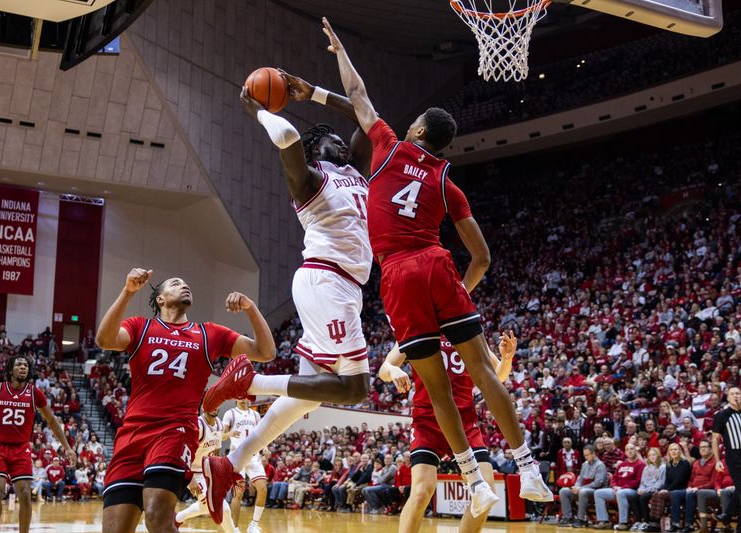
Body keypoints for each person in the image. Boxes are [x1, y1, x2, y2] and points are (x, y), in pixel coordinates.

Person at [320, 16, 551, 515]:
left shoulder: (386, 146)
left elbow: (357, 93)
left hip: (399, 273)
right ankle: (528, 467)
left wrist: (340, 49)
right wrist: (459, 293)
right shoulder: (448, 181)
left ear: (419, 129)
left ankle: (474, 476)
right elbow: (483, 256)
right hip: (438, 263)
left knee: (438, 389)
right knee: (486, 372)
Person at [199, 65, 376, 525]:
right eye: (330, 140)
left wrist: (314, 91)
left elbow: (365, 117)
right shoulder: (311, 179)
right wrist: (259, 109)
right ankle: (250, 383)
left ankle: (229, 464)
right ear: (319, 151)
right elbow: (287, 141)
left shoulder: (354, 173)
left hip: (342, 288)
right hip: (327, 281)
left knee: (308, 397)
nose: (341, 140)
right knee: (356, 387)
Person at [95, 269, 275, 533]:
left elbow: (265, 351)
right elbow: (105, 339)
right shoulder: (140, 326)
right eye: (176, 284)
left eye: (186, 284)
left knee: (157, 517)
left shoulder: (209, 333)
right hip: (131, 434)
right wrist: (128, 292)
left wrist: (250, 308)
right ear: (160, 299)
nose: (185, 285)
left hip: (174, 430)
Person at [379, 332, 514, 532]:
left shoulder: (468, 329)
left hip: (464, 422)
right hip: (428, 421)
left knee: (486, 491)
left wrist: (507, 359)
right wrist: (393, 371)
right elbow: (384, 368)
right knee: (421, 492)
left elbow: (498, 376)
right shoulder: (416, 328)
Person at [0, 355, 76, 533]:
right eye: (19, 364)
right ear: (10, 370)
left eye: (25, 365)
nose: (23, 367)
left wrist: (67, 447)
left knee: (25, 494)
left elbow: (52, 421)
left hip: (21, 448)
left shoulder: (34, 393)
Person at [175, 409, 237, 533]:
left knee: (205, 506)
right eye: (211, 404)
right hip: (193, 472)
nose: (214, 407)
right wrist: (189, 477)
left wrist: (218, 473)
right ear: (204, 407)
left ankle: (176, 518)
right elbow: (182, 450)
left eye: (217, 405)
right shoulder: (197, 425)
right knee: (222, 507)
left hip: (207, 471)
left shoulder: (219, 424)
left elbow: (217, 451)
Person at [223, 399, 268, 533]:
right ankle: (234, 527)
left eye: (245, 397)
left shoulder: (255, 415)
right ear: (236, 398)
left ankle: (253, 525)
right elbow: (223, 436)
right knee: (238, 493)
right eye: (240, 397)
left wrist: (265, 447)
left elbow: (261, 434)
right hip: (238, 457)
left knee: (263, 489)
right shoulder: (230, 413)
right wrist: (229, 433)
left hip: (254, 457)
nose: (243, 400)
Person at [593, 443, 645, 529]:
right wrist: (614, 486)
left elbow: (638, 481)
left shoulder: (640, 464)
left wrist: (622, 488)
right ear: (625, 452)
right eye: (627, 449)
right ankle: (604, 521)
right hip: (618, 489)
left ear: (635, 451)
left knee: (621, 493)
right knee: (598, 493)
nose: (630, 451)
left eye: (631, 449)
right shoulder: (622, 464)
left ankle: (623, 522)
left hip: (633, 490)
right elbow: (614, 478)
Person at [711, 387, 741, 533]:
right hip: (734, 456)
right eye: (733, 394)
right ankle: (727, 515)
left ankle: (727, 516)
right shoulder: (722, 415)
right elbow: (715, 439)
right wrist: (717, 460)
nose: (736, 396)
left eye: (738, 393)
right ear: (728, 398)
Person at [559, 444, 609, 527]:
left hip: (596, 490)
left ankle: (581, 519)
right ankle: (568, 518)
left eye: (587, 455)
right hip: (583, 489)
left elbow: (597, 483)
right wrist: (576, 487)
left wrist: (580, 488)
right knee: (564, 491)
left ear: (593, 454)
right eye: (584, 455)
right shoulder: (584, 464)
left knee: (582, 492)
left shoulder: (600, 465)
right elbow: (580, 479)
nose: (585, 457)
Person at [647, 443, 692, 532]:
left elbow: (680, 480)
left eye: (675, 449)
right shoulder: (669, 464)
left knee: (661, 495)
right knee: (656, 494)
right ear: (669, 452)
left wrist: (667, 490)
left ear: (680, 451)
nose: (673, 451)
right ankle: (654, 523)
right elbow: (667, 481)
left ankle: (673, 524)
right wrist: (662, 489)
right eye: (671, 450)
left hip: (682, 489)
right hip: (672, 489)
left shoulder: (684, 463)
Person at [673, 440, 716, 533]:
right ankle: (675, 524)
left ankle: (689, 524)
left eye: (705, 447)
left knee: (690, 495)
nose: (703, 449)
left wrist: (698, 488)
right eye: (701, 447)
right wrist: (689, 486)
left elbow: (713, 482)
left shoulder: (715, 462)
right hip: (693, 488)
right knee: (675, 494)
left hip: (706, 490)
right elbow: (691, 479)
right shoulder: (696, 462)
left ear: (711, 449)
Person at [629, 447, 667, 531]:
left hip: (655, 490)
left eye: (654, 455)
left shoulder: (663, 467)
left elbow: (660, 483)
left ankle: (646, 521)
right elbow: (642, 481)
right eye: (650, 455)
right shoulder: (646, 468)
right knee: (633, 497)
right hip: (645, 489)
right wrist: (640, 489)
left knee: (643, 498)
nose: (652, 457)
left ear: (658, 455)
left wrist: (645, 490)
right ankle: (638, 520)